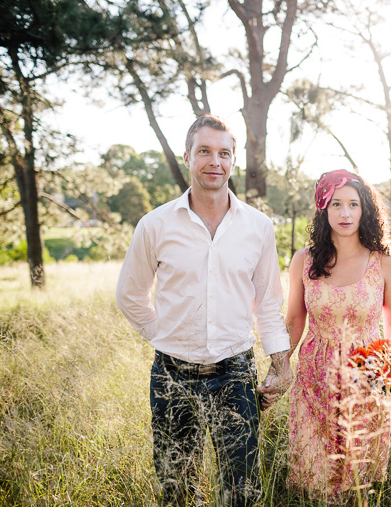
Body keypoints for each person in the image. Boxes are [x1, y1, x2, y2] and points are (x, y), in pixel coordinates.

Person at [115, 114, 292, 506]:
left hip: (235, 373)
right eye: (205, 152)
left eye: (224, 153)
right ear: (187, 157)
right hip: (171, 375)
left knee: (242, 492)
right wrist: (162, 334)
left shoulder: (258, 227)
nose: (215, 161)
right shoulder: (155, 225)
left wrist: (281, 363)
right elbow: (129, 295)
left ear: (233, 161)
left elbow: (267, 303)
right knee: (176, 491)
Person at [281, 169, 391, 503]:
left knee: (355, 483)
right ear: (324, 208)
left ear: (365, 209)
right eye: (336, 204)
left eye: (353, 204)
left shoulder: (383, 262)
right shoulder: (303, 261)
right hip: (314, 378)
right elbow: (293, 320)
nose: (345, 213)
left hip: (364, 380)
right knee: (315, 481)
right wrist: (279, 368)